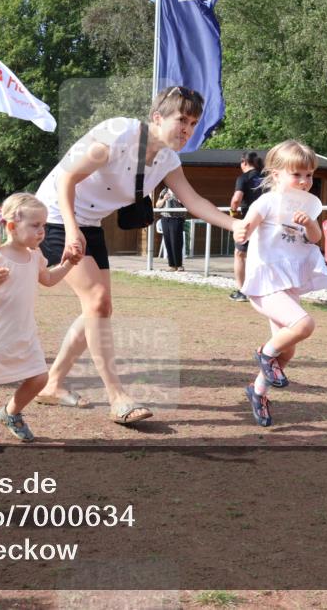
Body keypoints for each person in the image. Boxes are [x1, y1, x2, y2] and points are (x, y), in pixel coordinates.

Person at [34, 85, 251, 425]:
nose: (188, 129)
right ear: (157, 117)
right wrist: (73, 230)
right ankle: (117, 397)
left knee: (98, 307)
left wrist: (233, 225)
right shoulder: (118, 135)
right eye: (182, 119)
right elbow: (67, 179)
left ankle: (52, 385)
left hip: (88, 221)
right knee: (97, 303)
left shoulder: (167, 159)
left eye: (194, 123)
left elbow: (194, 201)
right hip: (54, 215)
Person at [238, 140, 327, 427]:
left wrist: (309, 224)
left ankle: (257, 392)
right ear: (276, 173)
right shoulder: (266, 201)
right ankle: (263, 354)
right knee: (304, 326)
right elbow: (246, 226)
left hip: (287, 284)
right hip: (265, 283)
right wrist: (241, 232)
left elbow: (315, 238)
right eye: (298, 174)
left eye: (309, 175)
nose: (305, 181)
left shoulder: (308, 206)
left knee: (288, 348)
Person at [0, 193, 75, 452]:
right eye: (35, 225)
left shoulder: (34, 255)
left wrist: (69, 264)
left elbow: (47, 280)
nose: (41, 231)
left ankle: (10, 412)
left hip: (24, 333)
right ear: (13, 227)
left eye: (44, 226)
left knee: (39, 378)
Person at [229, 151, 265, 302]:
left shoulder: (243, 178)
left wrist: (232, 213)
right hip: (267, 220)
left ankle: (243, 291)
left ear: (243, 162)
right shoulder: (267, 177)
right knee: (263, 255)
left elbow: (236, 199)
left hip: (249, 220)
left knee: (240, 254)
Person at [155, 186, 186, 271]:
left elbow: (187, 203)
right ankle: (172, 265)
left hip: (176, 218)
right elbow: (157, 205)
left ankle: (179, 265)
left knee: (176, 242)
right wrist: (164, 199)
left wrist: (180, 200)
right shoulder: (164, 191)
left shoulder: (180, 190)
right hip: (165, 219)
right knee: (168, 242)